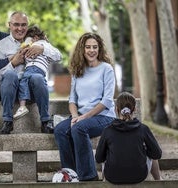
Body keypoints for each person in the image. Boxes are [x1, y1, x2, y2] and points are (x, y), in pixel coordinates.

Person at [54, 33, 116, 181]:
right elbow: (72, 99)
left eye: (95, 47)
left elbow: (107, 101)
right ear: (82, 49)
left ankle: (89, 176)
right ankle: (71, 173)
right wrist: (75, 116)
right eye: (88, 47)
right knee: (61, 130)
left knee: (78, 128)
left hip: (104, 117)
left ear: (99, 49)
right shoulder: (78, 70)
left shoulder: (106, 69)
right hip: (81, 117)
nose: (91, 50)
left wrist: (83, 118)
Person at [0, 11, 62, 134]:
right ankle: (7, 122)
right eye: (16, 24)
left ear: (28, 25)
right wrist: (13, 63)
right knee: (9, 74)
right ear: (9, 25)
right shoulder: (1, 45)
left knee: (37, 78)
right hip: (12, 91)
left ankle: (45, 122)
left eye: (23, 25)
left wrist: (43, 49)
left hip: (34, 90)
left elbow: (58, 56)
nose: (20, 28)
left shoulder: (37, 40)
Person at [95, 91, 162, 184]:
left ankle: (105, 183)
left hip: (112, 176)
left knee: (106, 152)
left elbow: (99, 158)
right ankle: (159, 182)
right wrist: (143, 150)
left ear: (116, 109)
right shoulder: (143, 129)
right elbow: (157, 154)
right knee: (151, 149)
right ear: (134, 109)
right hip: (139, 176)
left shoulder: (108, 130)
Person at [13, 25, 61, 120]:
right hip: (30, 69)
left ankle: (22, 106)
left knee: (23, 80)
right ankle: (23, 106)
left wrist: (42, 48)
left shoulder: (44, 44)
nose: (25, 43)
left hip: (37, 69)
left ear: (35, 38)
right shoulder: (30, 47)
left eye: (27, 40)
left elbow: (58, 56)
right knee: (22, 80)